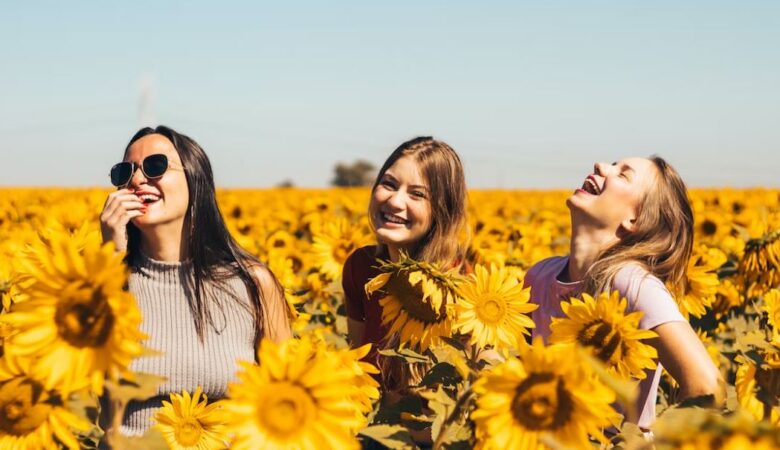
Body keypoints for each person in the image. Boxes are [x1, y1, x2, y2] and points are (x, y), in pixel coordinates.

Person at [99, 125, 291, 436]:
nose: (136, 180)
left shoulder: (251, 284)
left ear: (194, 179)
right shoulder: (105, 282)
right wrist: (108, 263)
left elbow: (287, 395)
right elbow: (86, 388)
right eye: (125, 171)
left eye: (155, 166)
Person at [524, 156, 723, 430]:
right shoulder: (540, 276)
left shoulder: (631, 283)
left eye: (622, 174)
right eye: (612, 164)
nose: (600, 166)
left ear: (635, 219)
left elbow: (706, 385)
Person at [342, 136, 469, 392]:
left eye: (417, 194)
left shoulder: (461, 283)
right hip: (368, 424)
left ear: (442, 210)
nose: (395, 202)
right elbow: (357, 364)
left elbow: (462, 385)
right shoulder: (362, 267)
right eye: (388, 184)